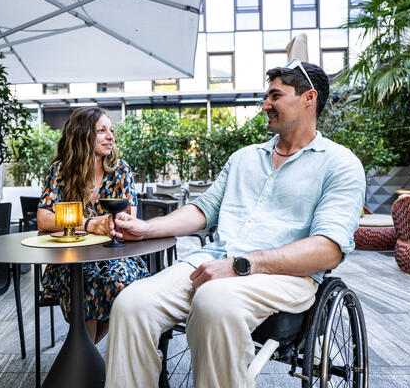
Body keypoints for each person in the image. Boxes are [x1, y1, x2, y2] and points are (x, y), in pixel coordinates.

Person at [104, 61, 366, 387]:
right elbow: (203, 210)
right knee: (131, 304)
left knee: (213, 300)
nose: (265, 105)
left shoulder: (340, 164)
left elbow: (328, 250)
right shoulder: (243, 158)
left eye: (275, 96)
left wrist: (241, 265)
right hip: (215, 260)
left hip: (286, 276)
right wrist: (146, 228)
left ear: (308, 98)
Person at [37, 106, 149, 344]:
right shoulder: (60, 170)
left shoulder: (120, 171)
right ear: (82, 134)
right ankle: (86, 356)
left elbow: (126, 220)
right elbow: (44, 218)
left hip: (116, 257)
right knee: (84, 281)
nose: (111, 137)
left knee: (118, 282)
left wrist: (73, 222)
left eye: (111, 131)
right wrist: (90, 224)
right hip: (70, 258)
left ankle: (81, 354)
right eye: (101, 131)